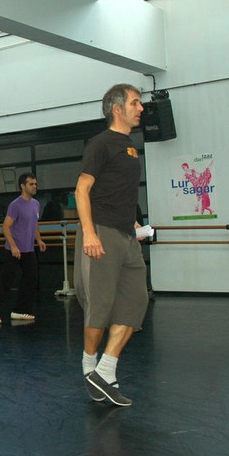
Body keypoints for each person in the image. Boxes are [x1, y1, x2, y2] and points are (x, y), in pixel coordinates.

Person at [74, 84, 148, 407]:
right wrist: (90, 233)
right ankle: (89, 367)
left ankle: (105, 371)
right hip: (101, 232)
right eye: (135, 103)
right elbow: (82, 190)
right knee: (100, 308)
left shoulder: (129, 145)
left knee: (135, 302)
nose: (141, 108)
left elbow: (119, 191)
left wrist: (133, 222)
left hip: (127, 234)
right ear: (117, 109)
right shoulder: (100, 143)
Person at [0, 173, 46, 325]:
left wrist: (39, 240)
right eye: (31, 184)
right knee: (6, 281)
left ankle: (20, 310)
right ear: (23, 186)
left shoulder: (36, 204)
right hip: (14, 251)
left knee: (31, 279)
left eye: (35, 184)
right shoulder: (15, 205)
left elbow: (35, 224)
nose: (34, 186)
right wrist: (13, 246)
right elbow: (6, 226)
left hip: (29, 250)